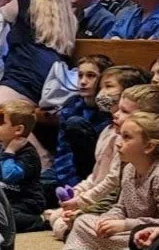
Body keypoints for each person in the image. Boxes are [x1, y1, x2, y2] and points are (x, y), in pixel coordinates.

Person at [62, 111, 159, 250]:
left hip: (156, 233)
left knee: (146, 239)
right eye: (120, 136)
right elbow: (121, 206)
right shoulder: (128, 169)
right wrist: (107, 220)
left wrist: (125, 225)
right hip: (130, 228)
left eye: (127, 137)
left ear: (148, 146)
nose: (119, 143)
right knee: (83, 221)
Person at [45, 67, 148, 240]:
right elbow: (96, 174)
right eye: (101, 88)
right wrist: (78, 192)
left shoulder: (127, 141)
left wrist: (82, 204)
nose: (102, 93)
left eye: (108, 87)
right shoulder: (108, 130)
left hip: (109, 202)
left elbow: (112, 183)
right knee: (59, 216)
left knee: (62, 223)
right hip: (98, 198)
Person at [48, 54, 113, 187]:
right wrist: (67, 184)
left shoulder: (110, 110)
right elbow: (63, 150)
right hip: (70, 171)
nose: (83, 81)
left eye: (91, 76)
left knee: (75, 124)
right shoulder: (72, 104)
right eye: (80, 75)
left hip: (95, 172)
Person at [0, 102, 46, 232]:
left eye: (0, 123)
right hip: (4, 200)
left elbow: (9, 176)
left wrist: (9, 153)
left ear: (18, 130)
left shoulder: (28, 154)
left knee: (1, 218)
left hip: (25, 202)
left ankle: (43, 222)